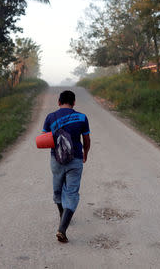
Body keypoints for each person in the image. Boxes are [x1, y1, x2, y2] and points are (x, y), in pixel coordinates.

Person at [42, 90, 91, 243]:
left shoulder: (50, 117)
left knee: (58, 190)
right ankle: (62, 228)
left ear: (59, 102)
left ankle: (62, 216)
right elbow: (87, 139)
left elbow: (44, 139)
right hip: (75, 159)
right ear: (74, 102)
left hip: (56, 160)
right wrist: (85, 153)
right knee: (72, 193)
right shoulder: (82, 117)